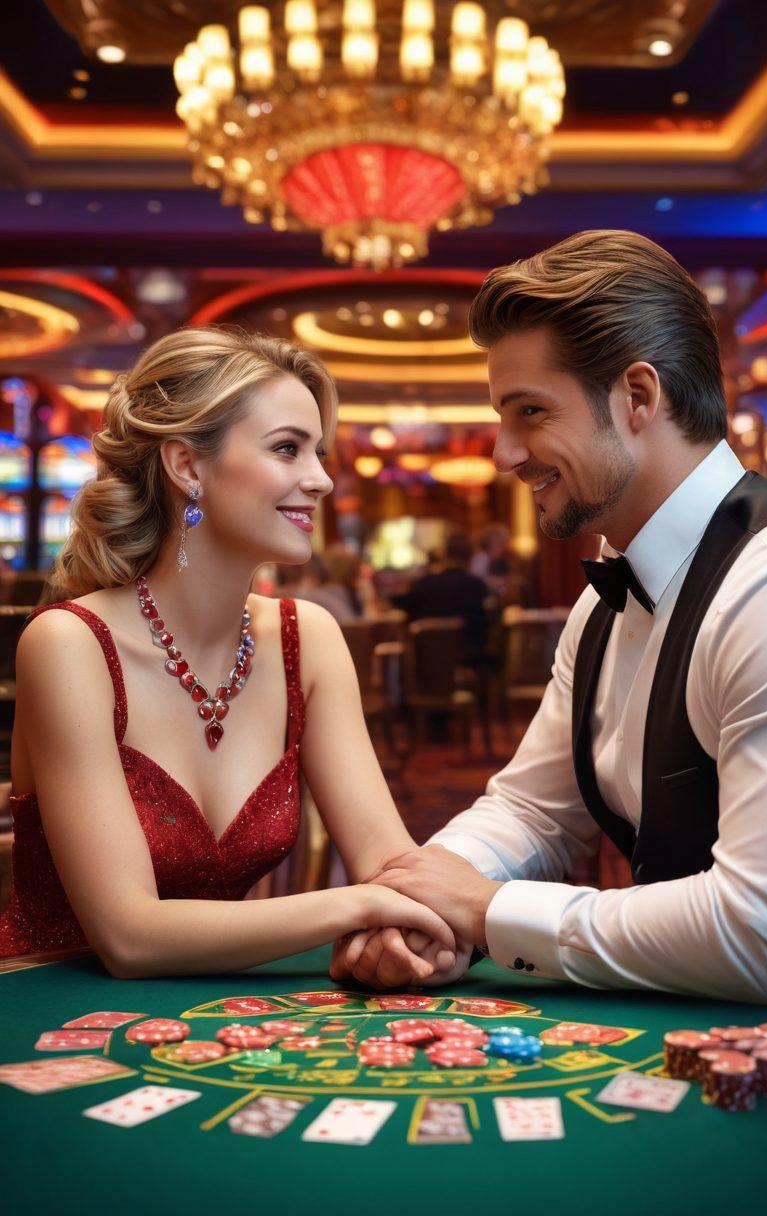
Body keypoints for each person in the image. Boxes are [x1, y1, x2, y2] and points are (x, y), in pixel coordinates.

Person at [332, 229, 767, 1003]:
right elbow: (533, 811)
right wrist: (418, 903)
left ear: (638, 397)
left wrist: (487, 911)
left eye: (530, 412)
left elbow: (764, 937)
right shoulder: (602, 603)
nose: (504, 454)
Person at [0, 326, 456, 978]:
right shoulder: (70, 645)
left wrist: (414, 929)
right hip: (47, 1006)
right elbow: (129, 937)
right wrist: (358, 907)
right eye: (288, 449)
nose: (322, 480)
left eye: (318, 452)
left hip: (212, 1011)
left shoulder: (308, 637)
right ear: (188, 467)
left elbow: (391, 865)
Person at [395, 532, 490, 661]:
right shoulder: (477, 586)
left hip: (425, 659)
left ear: (445, 555)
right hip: (467, 659)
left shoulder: (426, 584)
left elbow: (403, 603)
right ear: (470, 556)